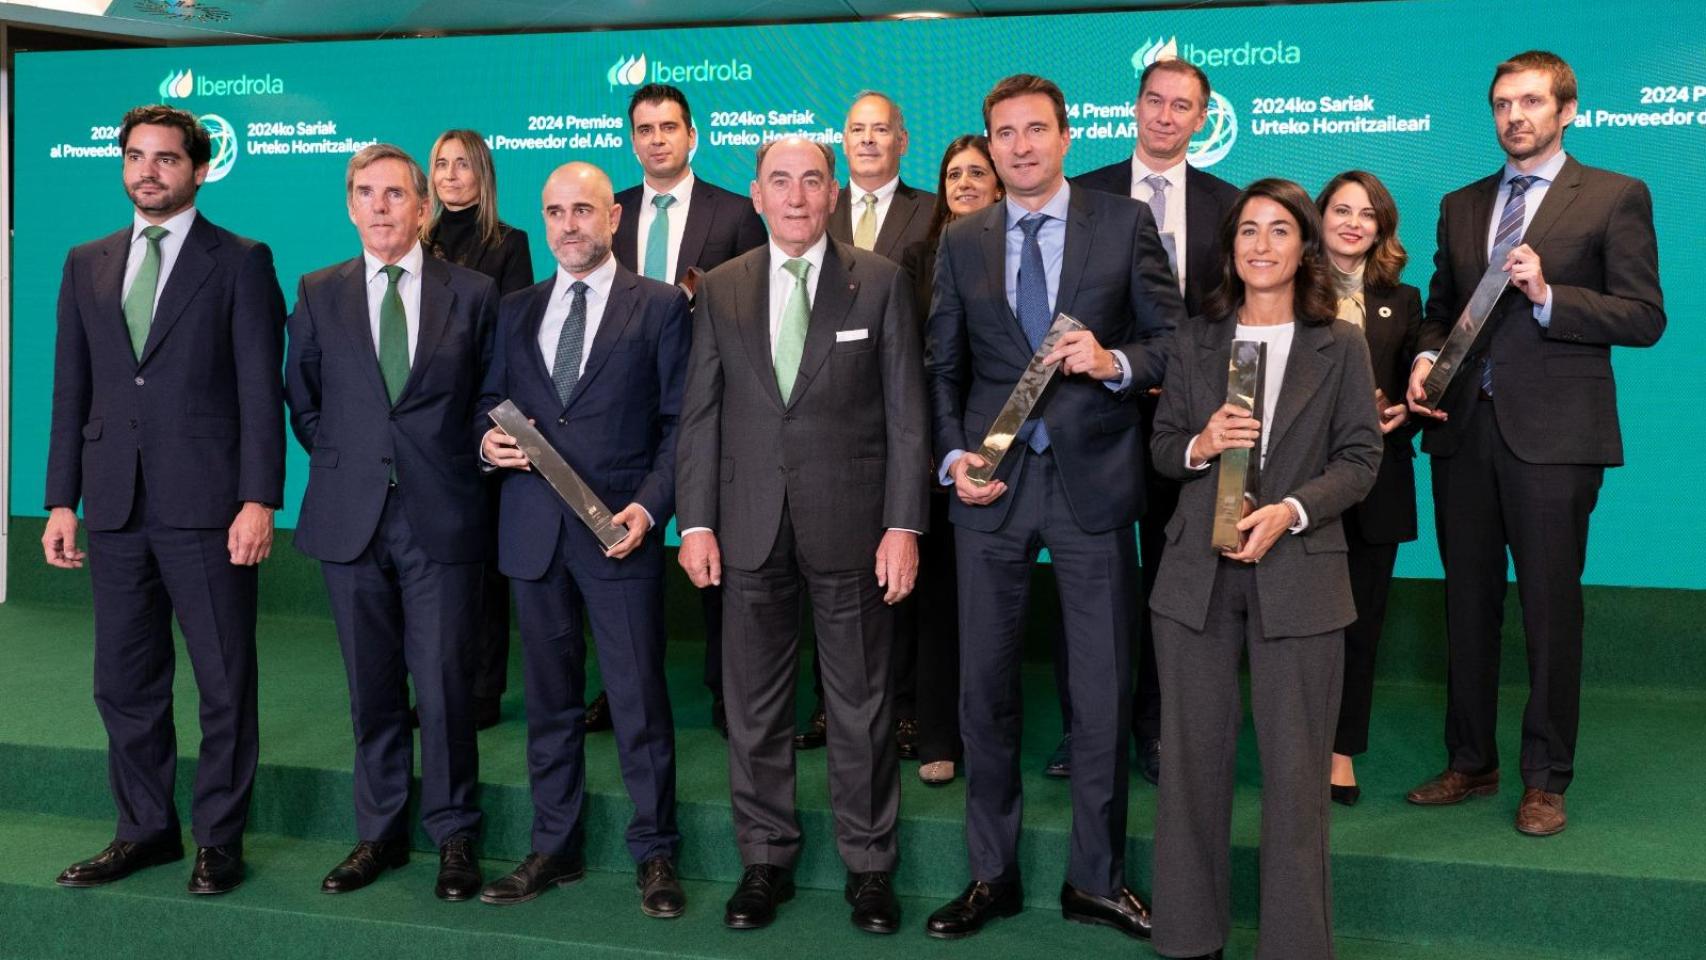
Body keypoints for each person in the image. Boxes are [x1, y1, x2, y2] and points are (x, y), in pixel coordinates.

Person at [923, 74, 1180, 942]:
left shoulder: (1124, 222)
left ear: (1068, 137)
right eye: (1005, 133)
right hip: (990, 493)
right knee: (984, 692)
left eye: (1038, 129)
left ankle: (1096, 881)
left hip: (1093, 486)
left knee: (1102, 691)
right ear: (989, 146)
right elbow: (943, 368)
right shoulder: (962, 238)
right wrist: (955, 457)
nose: (1022, 146)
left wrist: (1111, 362)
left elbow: (1174, 343)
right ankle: (990, 875)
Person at [1404, 50, 1665, 836]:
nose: (1513, 116)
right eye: (1500, 104)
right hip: (1462, 436)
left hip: (1556, 439)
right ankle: (1470, 761)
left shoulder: (1616, 196)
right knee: (1467, 605)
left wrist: (1550, 295)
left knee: (1550, 611)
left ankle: (1546, 778)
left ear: (1568, 110)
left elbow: (1644, 317)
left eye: (1529, 102)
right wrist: (1422, 355)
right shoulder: (1460, 204)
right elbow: (1440, 308)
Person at [675, 136, 929, 934]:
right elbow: (701, 415)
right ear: (755, 194)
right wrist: (698, 522)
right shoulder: (721, 287)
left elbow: (907, 416)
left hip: (854, 529)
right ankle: (765, 859)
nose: (795, 196)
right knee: (754, 708)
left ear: (833, 194)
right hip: (745, 528)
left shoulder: (881, 282)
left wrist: (902, 525)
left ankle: (869, 866)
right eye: (779, 181)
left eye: (811, 180)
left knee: (859, 704)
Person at [44, 103, 285, 897]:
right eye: (136, 157)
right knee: (123, 680)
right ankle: (145, 830)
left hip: (210, 509)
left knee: (223, 682)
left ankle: (218, 841)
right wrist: (60, 501)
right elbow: (71, 387)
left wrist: (259, 500)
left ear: (199, 168)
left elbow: (260, 392)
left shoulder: (242, 260)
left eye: (166, 159)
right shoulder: (87, 261)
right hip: (114, 507)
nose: (149, 171)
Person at [1148, 178, 1382, 960]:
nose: (1261, 245)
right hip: (1195, 581)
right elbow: (1162, 447)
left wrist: (1291, 511)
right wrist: (1201, 443)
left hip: (1301, 575)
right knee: (1188, 772)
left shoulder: (1340, 342)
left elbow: (1361, 458)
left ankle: (1294, 946)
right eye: (1247, 230)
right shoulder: (1193, 340)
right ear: (1230, 248)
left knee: (1294, 782)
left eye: (1280, 230)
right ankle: (1188, 938)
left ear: (1305, 246)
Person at [283, 143, 498, 900]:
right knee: (371, 688)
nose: (380, 206)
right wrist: (351, 463)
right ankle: (378, 835)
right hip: (350, 520)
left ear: (423, 207)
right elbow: (303, 401)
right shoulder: (317, 291)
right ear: (350, 205)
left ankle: (453, 835)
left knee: (442, 687)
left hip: (442, 516)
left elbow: (485, 397)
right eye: (366, 193)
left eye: (395, 194)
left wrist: (461, 452)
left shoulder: (471, 294)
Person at [475, 162, 689, 917]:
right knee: (550, 704)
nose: (569, 225)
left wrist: (650, 507)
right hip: (533, 538)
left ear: (615, 218)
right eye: (556, 212)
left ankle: (656, 852)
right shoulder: (514, 308)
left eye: (585, 211)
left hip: (617, 538)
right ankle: (554, 845)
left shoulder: (661, 308)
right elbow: (485, 404)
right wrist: (485, 446)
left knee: (636, 702)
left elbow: (678, 427)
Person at [1062, 56, 1243, 783]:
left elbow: (1232, 317)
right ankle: (1086, 729)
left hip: (1188, 426)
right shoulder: (1084, 193)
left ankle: (1157, 725)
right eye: (1155, 102)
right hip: (1095, 416)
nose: (1166, 117)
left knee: (1173, 579)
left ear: (1203, 118)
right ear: (1134, 107)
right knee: (1093, 584)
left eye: (1183, 107)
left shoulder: (1230, 204)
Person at [593, 82, 767, 739]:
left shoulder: (732, 212)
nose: (657, 138)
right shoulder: (611, 210)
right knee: (618, 554)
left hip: (713, 406)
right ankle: (622, 689)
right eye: (644, 128)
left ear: (693, 136)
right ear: (632, 139)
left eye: (670, 126)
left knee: (718, 548)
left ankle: (729, 692)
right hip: (623, 407)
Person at [895, 134, 1005, 785]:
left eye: (976, 172)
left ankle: (987, 731)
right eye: (953, 173)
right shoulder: (917, 257)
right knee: (938, 602)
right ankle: (938, 733)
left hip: (1005, 448)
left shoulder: (1021, 251)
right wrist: (943, 447)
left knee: (992, 605)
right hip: (936, 452)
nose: (964, 182)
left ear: (998, 184)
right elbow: (911, 363)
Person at [1313, 170, 1424, 805]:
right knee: (1298, 627)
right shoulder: (1283, 289)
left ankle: (1340, 750)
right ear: (1320, 217)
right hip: (1296, 483)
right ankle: (1293, 741)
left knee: (1361, 625)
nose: (1354, 223)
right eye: (1342, 210)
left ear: (1381, 228)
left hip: (1376, 483)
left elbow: (1420, 380)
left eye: (1368, 214)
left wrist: (1404, 410)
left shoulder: (1402, 302)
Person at [424, 128, 534, 731]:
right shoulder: (418, 241)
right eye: (441, 164)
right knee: (434, 571)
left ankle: (484, 692)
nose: (450, 175)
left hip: (485, 422)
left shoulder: (508, 243)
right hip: (425, 428)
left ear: (483, 173)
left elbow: (512, 338)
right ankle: (437, 689)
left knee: (486, 573)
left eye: (462, 164)